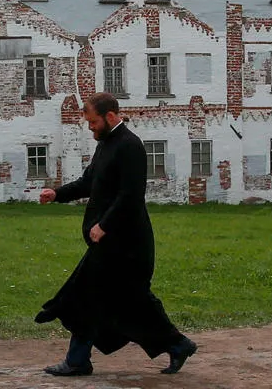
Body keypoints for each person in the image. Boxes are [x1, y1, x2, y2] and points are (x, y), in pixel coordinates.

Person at [36, 92, 197, 377]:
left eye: (93, 121)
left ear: (110, 116)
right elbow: (89, 182)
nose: (90, 127)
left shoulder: (130, 146)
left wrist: (104, 225)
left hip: (128, 244)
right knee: (117, 302)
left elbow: (131, 195)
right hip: (110, 244)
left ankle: (78, 360)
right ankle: (177, 345)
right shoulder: (106, 144)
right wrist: (57, 194)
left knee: (102, 297)